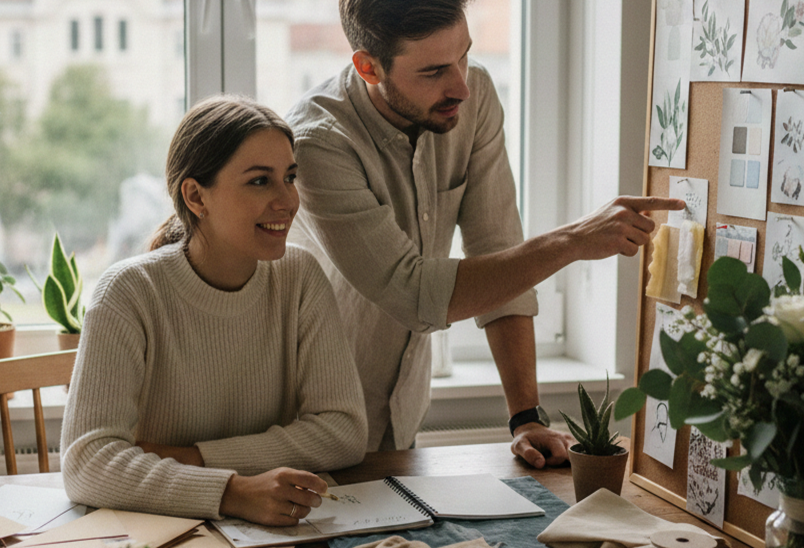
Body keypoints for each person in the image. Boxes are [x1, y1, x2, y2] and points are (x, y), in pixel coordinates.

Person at [285, 0, 684, 467]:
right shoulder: (317, 141)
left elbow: (497, 252)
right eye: (433, 71)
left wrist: (525, 417)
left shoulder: (473, 96)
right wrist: (571, 242)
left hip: (403, 418)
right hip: (309, 425)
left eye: (464, 55)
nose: (461, 85)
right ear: (368, 67)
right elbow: (413, 294)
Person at [60, 96, 367, 526]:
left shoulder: (300, 277)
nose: (287, 200)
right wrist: (233, 490)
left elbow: (344, 431)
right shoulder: (128, 292)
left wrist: (196, 458)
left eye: (289, 177)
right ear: (196, 196)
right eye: (260, 181)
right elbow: (86, 462)